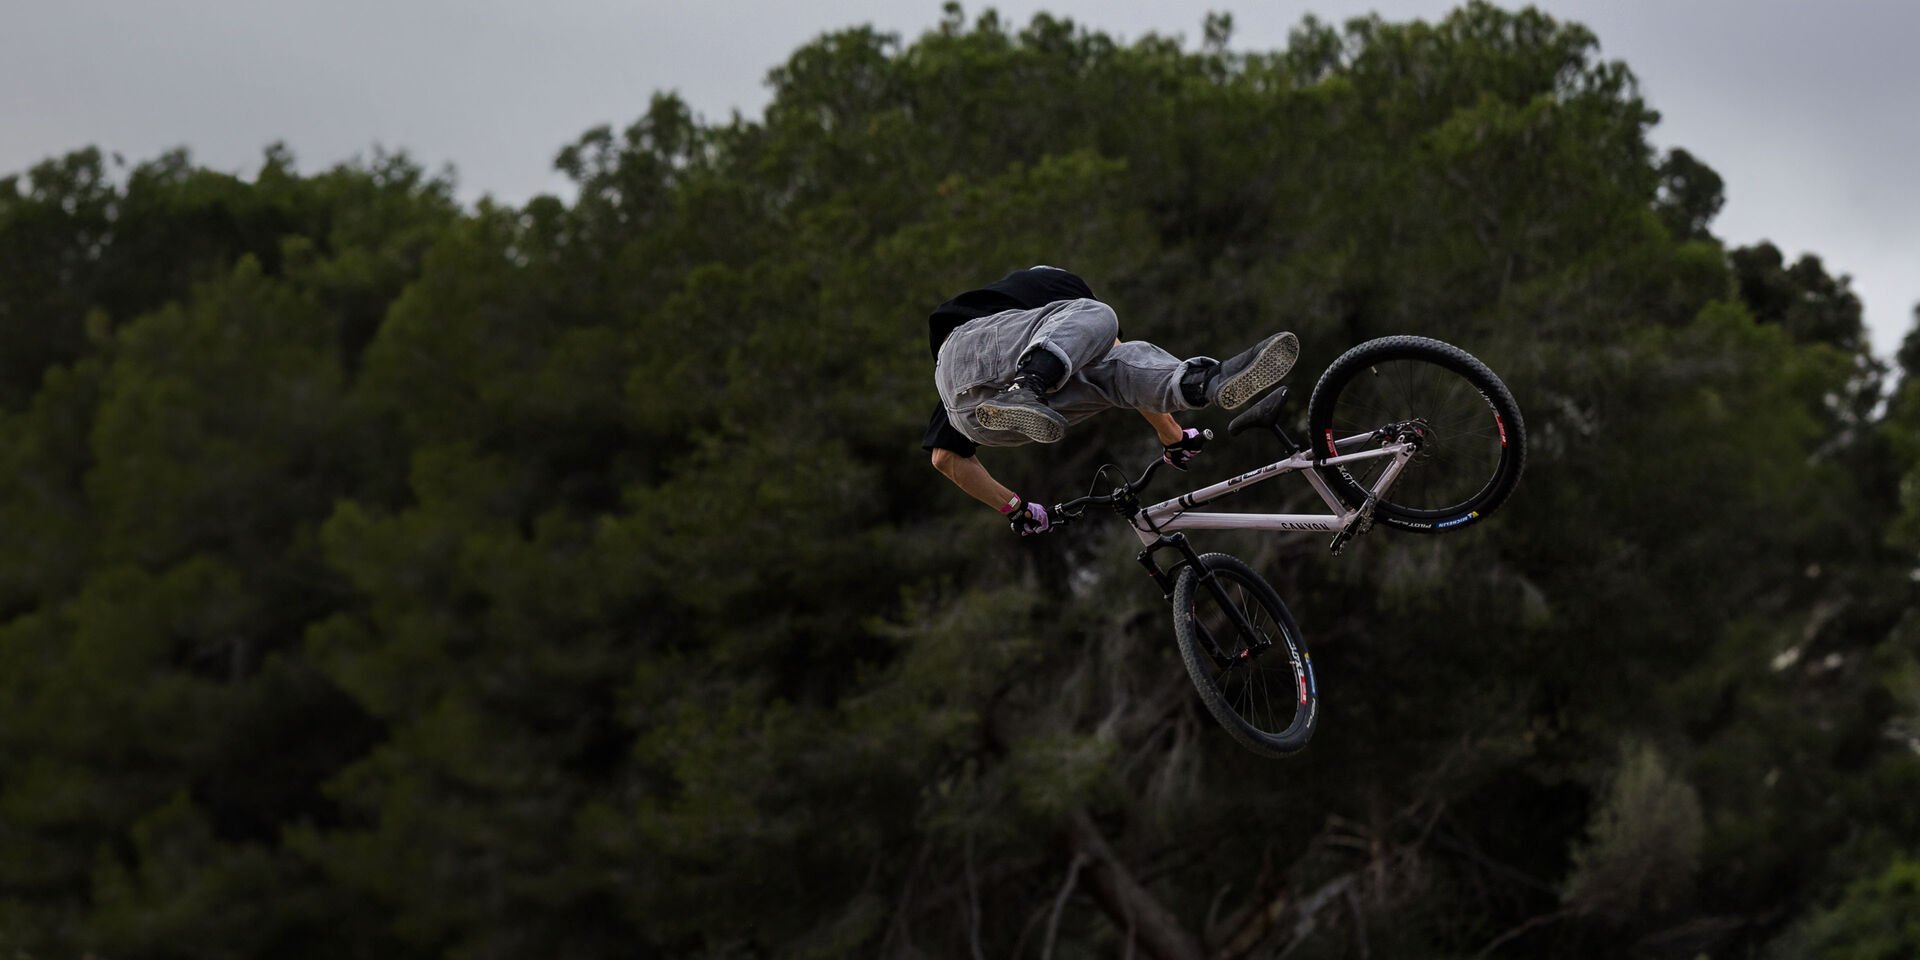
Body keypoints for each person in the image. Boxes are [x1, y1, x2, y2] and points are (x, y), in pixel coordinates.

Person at [923, 266, 1299, 536]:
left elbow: (946, 457)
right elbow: (1120, 351)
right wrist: (1172, 436)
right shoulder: (1052, 289)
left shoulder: (1030, 347)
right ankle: (1030, 385)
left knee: (1111, 379)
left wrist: (1017, 509)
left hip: (979, 416)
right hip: (965, 348)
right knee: (1101, 320)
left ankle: (1203, 383)